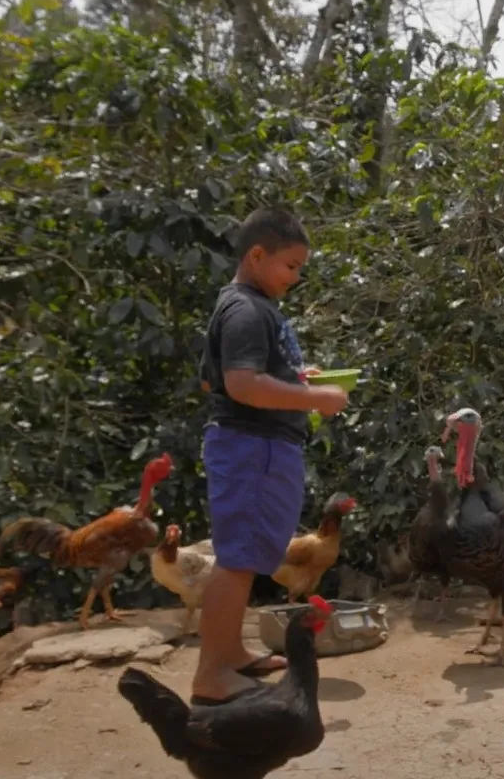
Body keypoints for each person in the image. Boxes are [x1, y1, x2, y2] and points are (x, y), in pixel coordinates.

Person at [192, 207, 349, 705]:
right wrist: (315, 400)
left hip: (257, 447)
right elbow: (239, 385)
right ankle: (212, 674)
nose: (297, 277)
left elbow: (210, 377)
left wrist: (296, 380)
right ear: (257, 256)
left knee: (247, 556)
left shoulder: (246, 306)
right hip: (252, 447)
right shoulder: (246, 310)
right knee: (237, 561)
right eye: (292, 265)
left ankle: (232, 653)